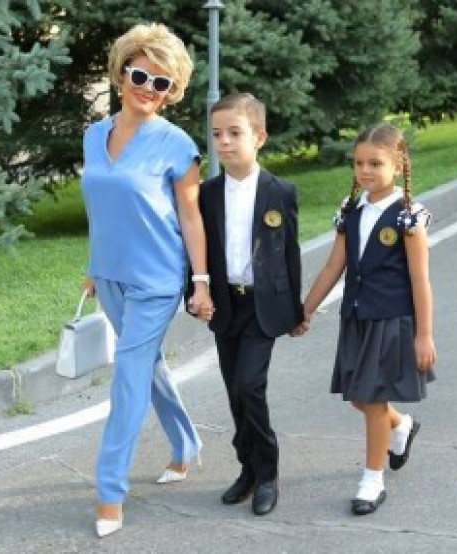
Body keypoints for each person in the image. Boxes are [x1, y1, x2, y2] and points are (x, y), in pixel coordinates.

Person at [80, 23, 213, 538]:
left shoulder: (177, 144)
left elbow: (191, 217)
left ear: (171, 91)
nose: (149, 89)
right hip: (110, 275)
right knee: (147, 367)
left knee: (129, 376)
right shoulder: (94, 136)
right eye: (141, 76)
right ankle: (185, 445)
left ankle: (109, 493)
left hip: (156, 280)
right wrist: (93, 266)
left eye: (162, 83)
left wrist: (200, 281)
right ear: (121, 74)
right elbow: (101, 206)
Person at [292, 123, 436, 515]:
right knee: (358, 395)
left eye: (375, 163)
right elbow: (332, 267)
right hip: (356, 316)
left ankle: (372, 480)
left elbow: (420, 280)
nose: (365, 171)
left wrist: (424, 335)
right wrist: (305, 310)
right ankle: (401, 425)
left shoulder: (408, 217)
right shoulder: (351, 210)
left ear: (398, 164)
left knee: (372, 399)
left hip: (391, 320)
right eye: (359, 163)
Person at [190, 92, 304, 516]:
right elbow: (195, 250)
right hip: (226, 305)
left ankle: (268, 473)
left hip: (263, 306)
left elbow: (289, 254)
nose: (223, 142)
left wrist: (296, 310)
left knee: (249, 385)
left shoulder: (280, 191)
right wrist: (196, 292)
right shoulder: (207, 194)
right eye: (217, 134)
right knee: (234, 391)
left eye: (234, 133)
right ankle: (248, 469)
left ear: (259, 137)